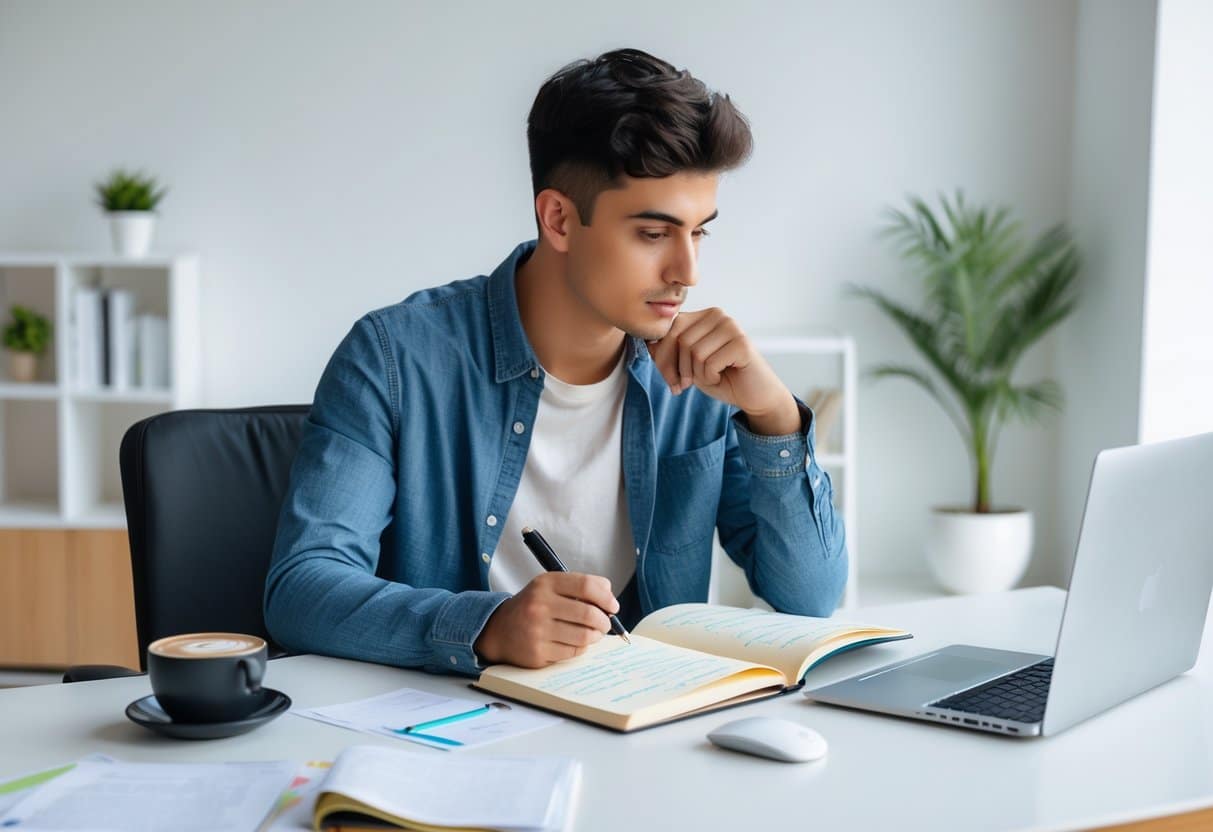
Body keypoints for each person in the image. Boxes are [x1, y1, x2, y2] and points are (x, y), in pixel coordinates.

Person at [264, 48, 847, 675]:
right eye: (653, 234)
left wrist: (775, 419)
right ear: (559, 218)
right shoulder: (394, 359)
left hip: (644, 725)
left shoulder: (701, 376)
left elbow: (809, 599)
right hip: (453, 734)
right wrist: (485, 626)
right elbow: (302, 588)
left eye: (699, 231)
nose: (688, 272)